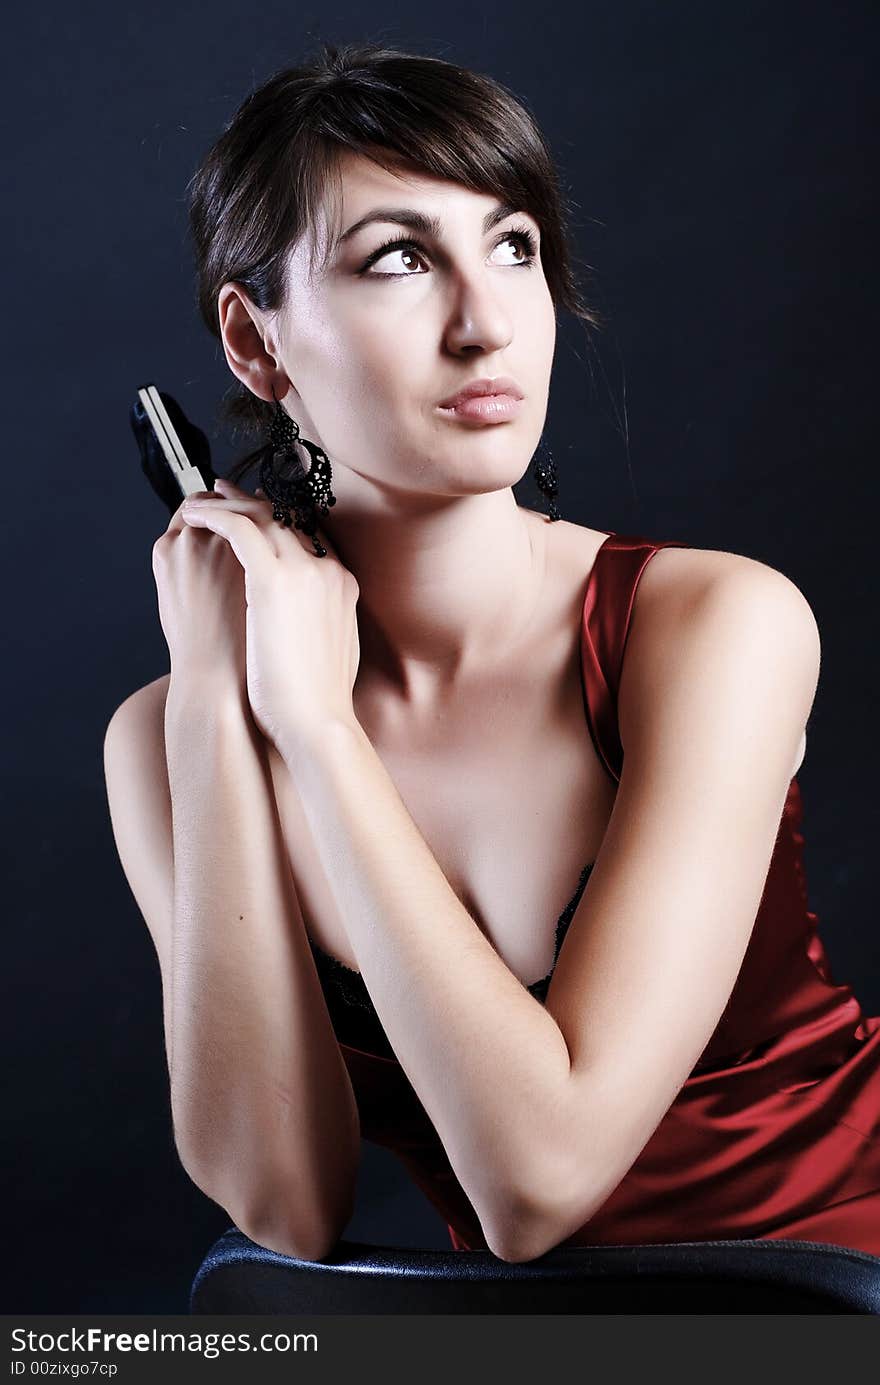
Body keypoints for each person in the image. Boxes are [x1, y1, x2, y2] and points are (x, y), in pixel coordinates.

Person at [103, 41, 880, 1266]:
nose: (487, 323)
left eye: (512, 245)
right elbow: (282, 1201)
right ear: (254, 347)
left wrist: (317, 728)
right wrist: (213, 704)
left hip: (835, 1300)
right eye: (401, 260)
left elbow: (538, 1181)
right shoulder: (169, 732)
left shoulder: (711, 624)